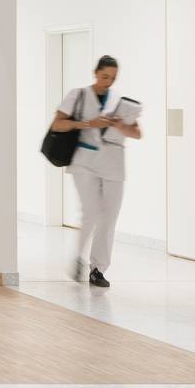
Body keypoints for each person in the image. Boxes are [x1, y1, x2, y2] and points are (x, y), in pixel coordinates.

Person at [48, 54, 142, 288]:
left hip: (113, 162)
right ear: (95, 73)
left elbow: (138, 134)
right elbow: (57, 124)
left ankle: (98, 269)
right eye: (104, 76)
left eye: (113, 78)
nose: (108, 82)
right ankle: (78, 257)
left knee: (109, 217)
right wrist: (89, 123)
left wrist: (120, 125)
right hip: (84, 160)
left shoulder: (119, 101)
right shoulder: (78, 95)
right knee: (91, 211)